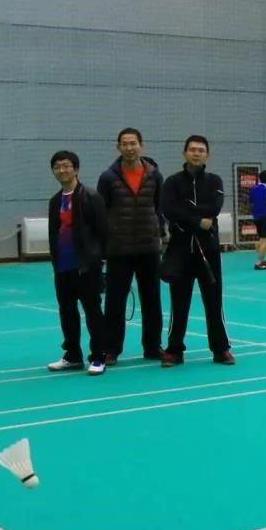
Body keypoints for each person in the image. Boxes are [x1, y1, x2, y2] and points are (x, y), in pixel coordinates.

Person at [160, 135, 234, 367]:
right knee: (179, 304)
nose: (196, 153)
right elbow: (169, 209)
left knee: (214, 302)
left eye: (201, 150)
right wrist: (196, 219)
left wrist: (186, 209)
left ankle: (221, 349)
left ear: (207, 155)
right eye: (192, 149)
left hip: (209, 253)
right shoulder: (172, 182)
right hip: (180, 252)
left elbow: (213, 208)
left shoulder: (215, 181)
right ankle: (174, 350)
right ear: (185, 153)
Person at [96, 128, 165, 364]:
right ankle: (111, 349)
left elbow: (159, 209)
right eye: (124, 144)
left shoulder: (155, 175)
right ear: (118, 147)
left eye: (133, 143)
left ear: (141, 146)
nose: (129, 148)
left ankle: (153, 347)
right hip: (119, 249)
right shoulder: (108, 177)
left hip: (149, 248)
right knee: (115, 302)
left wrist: (161, 237)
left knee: (152, 301)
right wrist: (103, 247)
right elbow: (101, 212)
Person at [47, 150, 110, 375]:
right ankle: (73, 355)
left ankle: (99, 357)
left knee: (93, 312)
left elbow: (103, 232)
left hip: (87, 266)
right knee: (67, 312)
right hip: (63, 267)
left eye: (66, 166)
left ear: (76, 169)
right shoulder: (55, 201)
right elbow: (54, 233)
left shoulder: (91, 197)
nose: (62, 170)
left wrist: (101, 263)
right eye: (57, 167)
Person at [249, 170, 266, 270]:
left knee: (262, 238)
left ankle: (263, 259)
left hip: (256, 217)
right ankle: (259, 263)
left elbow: (251, 204)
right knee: (265, 240)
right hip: (265, 217)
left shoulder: (253, 189)